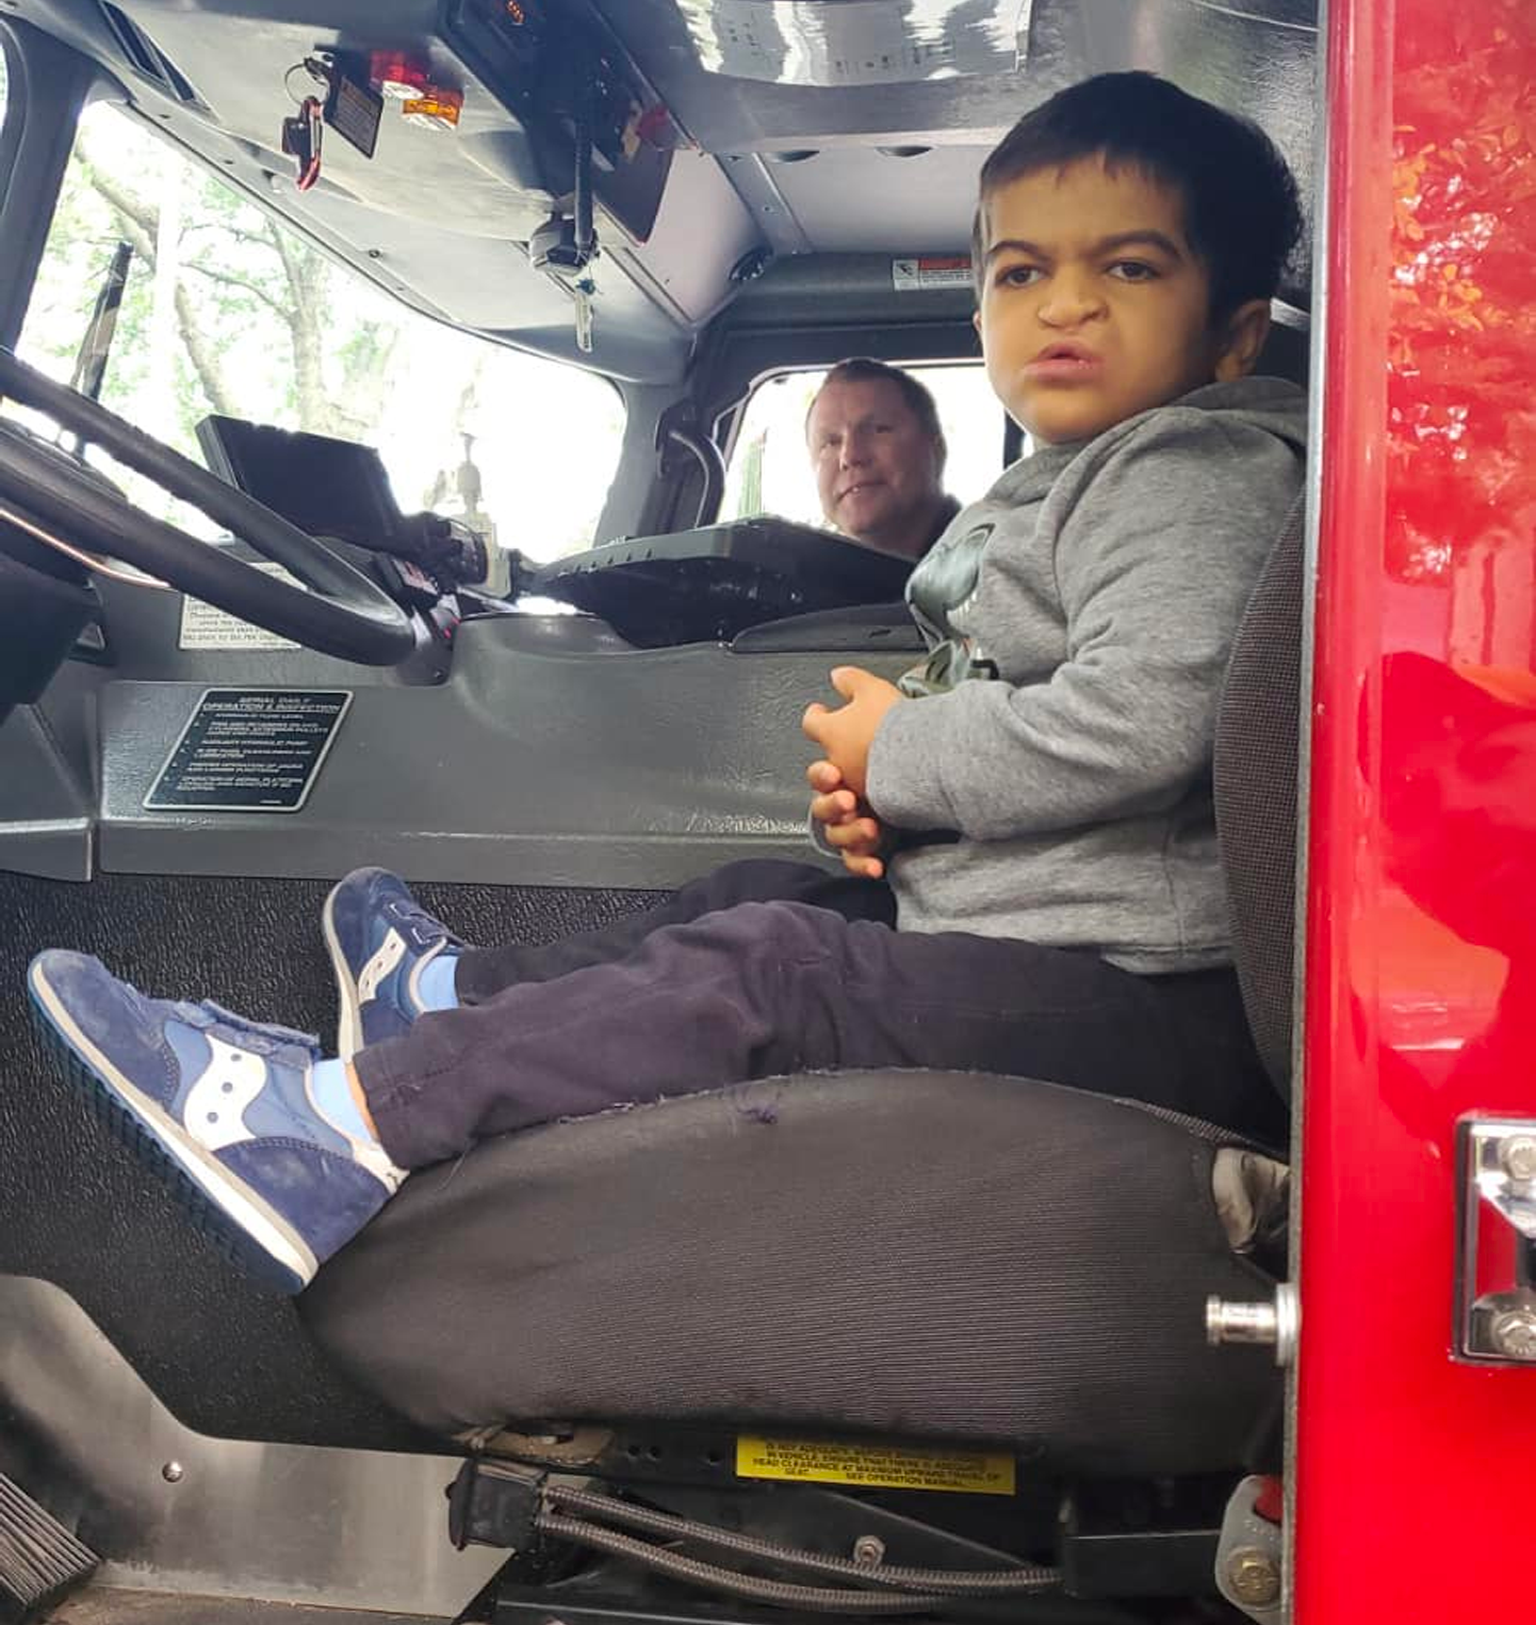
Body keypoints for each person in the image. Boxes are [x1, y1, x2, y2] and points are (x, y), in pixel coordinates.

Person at [27, 72, 1309, 1297]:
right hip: (1047, 931)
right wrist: (895, 804)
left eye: (1128, 266)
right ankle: (449, 999)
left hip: (1147, 1002)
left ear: (1235, 332)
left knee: (775, 966)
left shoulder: (1193, 471)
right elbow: (1036, 713)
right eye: (1022, 270)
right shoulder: (1077, 479)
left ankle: (330, 1134)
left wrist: (904, 754)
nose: (1065, 304)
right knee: (758, 895)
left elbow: (1142, 718)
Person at [806, 359, 959, 558]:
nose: (850, 456)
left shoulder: (992, 565)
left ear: (936, 450)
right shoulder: (807, 574)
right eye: (830, 442)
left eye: (879, 430)